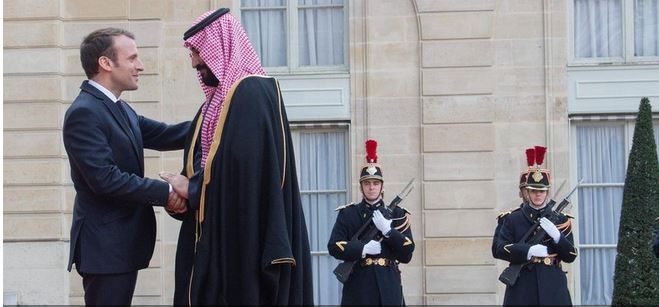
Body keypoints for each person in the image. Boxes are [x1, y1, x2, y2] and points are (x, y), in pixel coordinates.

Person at [159, 8, 313, 305]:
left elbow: (245, 173)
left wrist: (191, 190)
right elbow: (205, 167)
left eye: (197, 50)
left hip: (243, 243)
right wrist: (180, 199)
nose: (193, 61)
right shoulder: (214, 106)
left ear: (220, 46)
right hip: (213, 242)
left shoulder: (251, 93)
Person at [62, 28, 191, 305]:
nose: (140, 66)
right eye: (132, 58)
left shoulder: (118, 107)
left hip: (119, 246)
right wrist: (167, 191)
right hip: (104, 248)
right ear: (105, 63)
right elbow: (105, 178)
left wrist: (220, 117)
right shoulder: (84, 112)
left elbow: (166, 134)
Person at [327, 139, 415, 306]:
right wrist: (362, 248)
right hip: (359, 286)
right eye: (367, 183)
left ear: (382, 187)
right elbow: (334, 246)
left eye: (376, 183)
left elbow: (407, 253)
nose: (371, 187)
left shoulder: (397, 214)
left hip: (389, 285)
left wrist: (389, 232)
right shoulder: (348, 214)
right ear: (361, 187)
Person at [492, 146, 578, 305]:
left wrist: (557, 237)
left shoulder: (560, 220)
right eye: (533, 191)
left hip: (553, 284)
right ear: (526, 192)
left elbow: (571, 256)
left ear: (547, 192)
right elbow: (498, 249)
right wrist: (528, 250)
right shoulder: (513, 219)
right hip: (523, 285)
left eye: (542, 191)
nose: (538, 194)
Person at [492, 148, 535, 257]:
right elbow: (497, 250)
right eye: (527, 189)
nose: (532, 193)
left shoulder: (554, 217)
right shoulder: (509, 218)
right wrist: (526, 250)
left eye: (537, 189)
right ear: (520, 193)